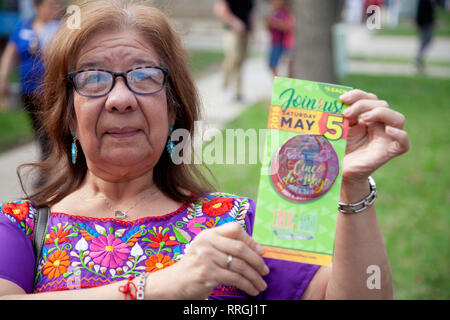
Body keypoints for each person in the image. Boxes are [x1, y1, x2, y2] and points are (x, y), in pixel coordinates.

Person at [0, 0, 409, 300]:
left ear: (172, 106)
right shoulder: (19, 227)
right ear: (68, 114)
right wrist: (157, 287)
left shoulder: (237, 225)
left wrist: (352, 187)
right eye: (93, 79)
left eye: (143, 76)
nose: (120, 98)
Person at [0, 0, 62, 160]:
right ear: (38, 7)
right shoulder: (23, 27)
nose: (55, 8)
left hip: (54, 90)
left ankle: (49, 166)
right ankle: (48, 164)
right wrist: (3, 79)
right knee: (39, 128)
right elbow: (10, 55)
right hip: (29, 90)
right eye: (50, 5)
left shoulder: (62, 28)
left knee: (52, 128)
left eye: (56, 5)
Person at [214, 0, 254, 102]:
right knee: (233, 58)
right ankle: (224, 87)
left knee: (241, 61)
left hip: (246, 31)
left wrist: (253, 31)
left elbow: (250, 13)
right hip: (232, 31)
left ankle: (238, 93)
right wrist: (234, 22)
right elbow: (220, 9)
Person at [266, 0, 295, 77]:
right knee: (273, 64)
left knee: (287, 65)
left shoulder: (287, 13)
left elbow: (287, 26)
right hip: (275, 42)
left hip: (286, 43)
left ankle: (285, 83)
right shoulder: (273, 13)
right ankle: (279, 82)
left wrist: (275, 24)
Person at [415, 0, 436, 72]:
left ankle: (419, 59)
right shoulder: (423, 1)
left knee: (427, 41)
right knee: (424, 41)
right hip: (425, 23)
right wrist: (418, 22)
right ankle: (418, 59)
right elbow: (420, 11)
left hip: (427, 23)